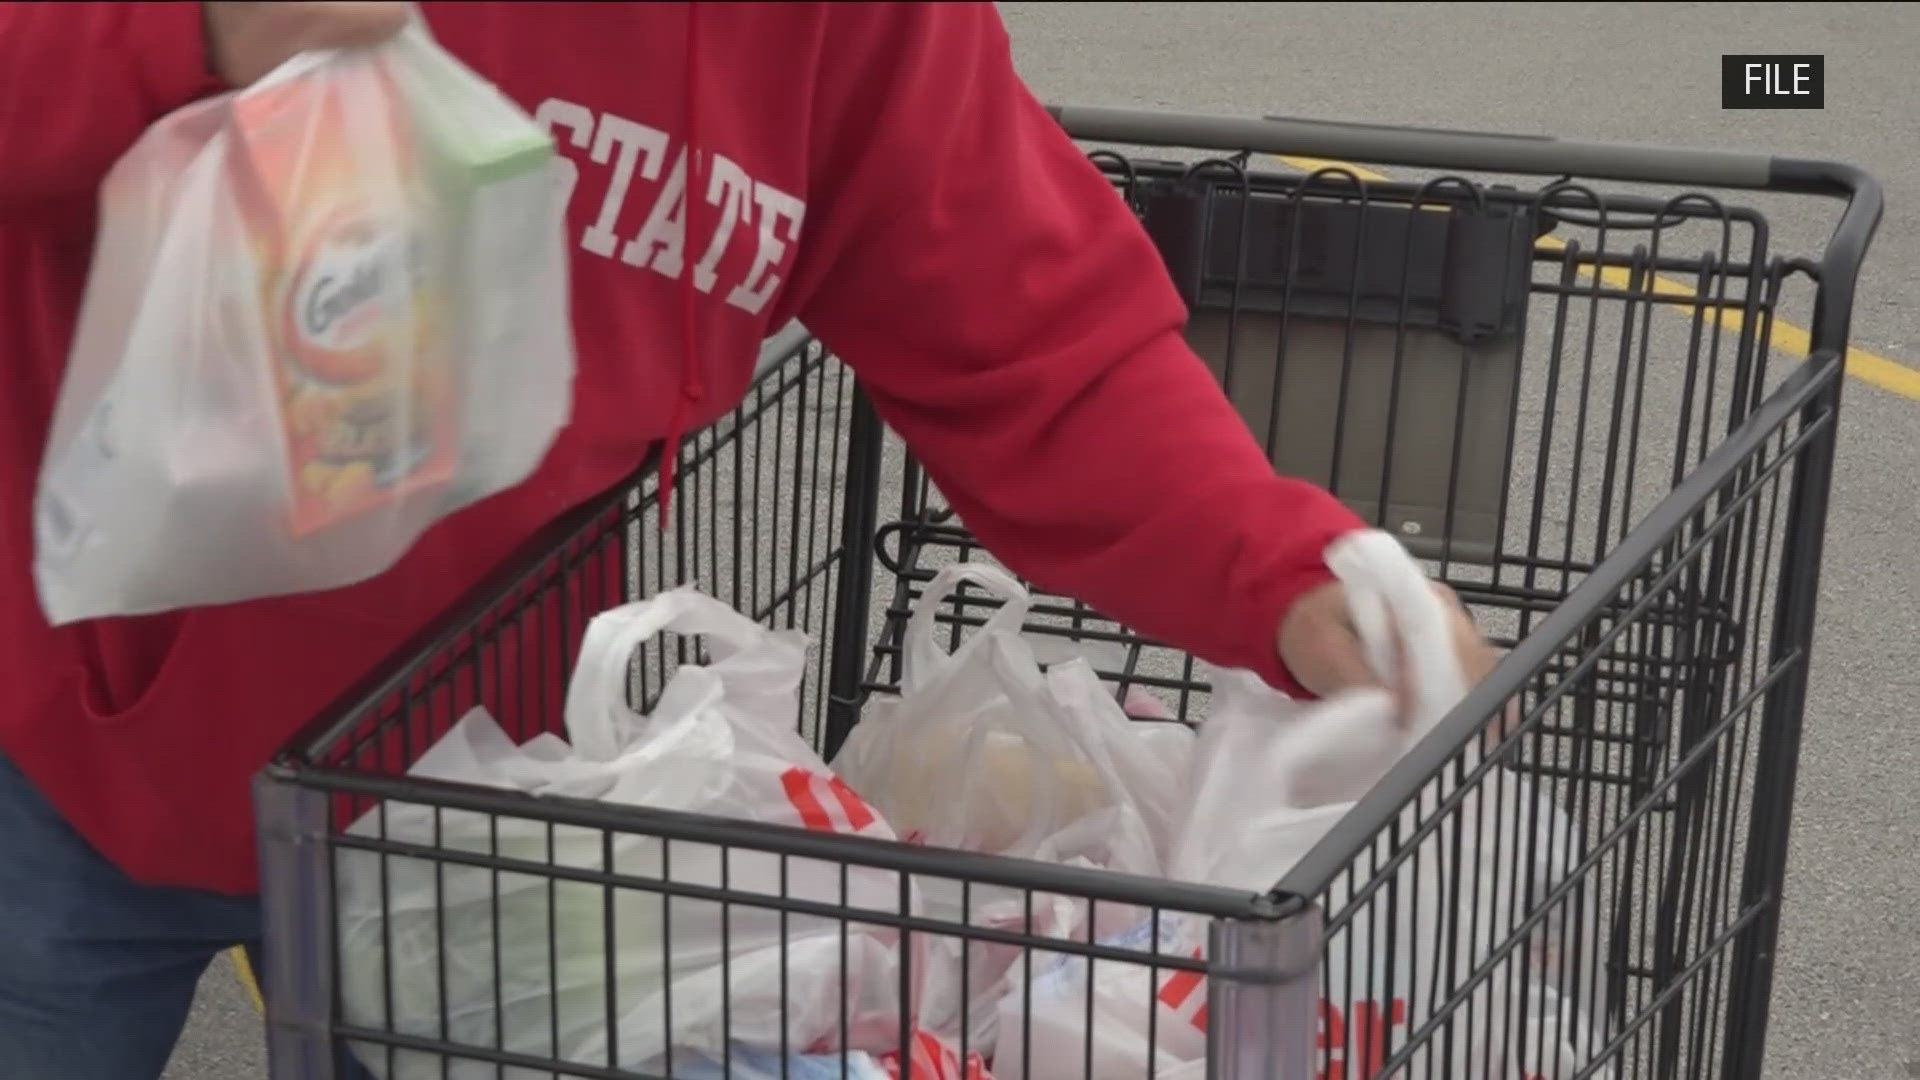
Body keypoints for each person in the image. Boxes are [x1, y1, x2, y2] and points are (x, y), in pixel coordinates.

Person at [0, 2, 1500, 1076]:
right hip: (53, 741)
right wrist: (173, 31)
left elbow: (1040, 343)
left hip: (476, 790)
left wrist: (1292, 577)